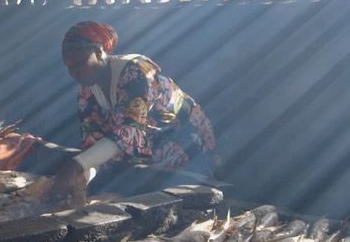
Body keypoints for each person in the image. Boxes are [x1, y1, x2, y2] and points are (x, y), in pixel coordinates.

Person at [28, 21, 221, 204]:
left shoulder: (136, 72)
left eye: (80, 64)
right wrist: (80, 178)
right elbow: (93, 144)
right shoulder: (87, 88)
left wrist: (76, 166)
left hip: (185, 137)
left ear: (99, 51)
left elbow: (128, 132)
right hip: (152, 143)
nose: (75, 73)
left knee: (185, 200)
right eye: (70, 68)